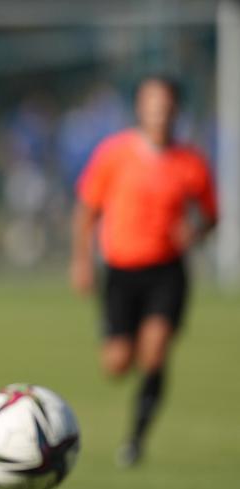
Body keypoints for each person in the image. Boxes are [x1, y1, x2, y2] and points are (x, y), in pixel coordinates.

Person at [70, 75, 218, 467]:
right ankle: (130, 344)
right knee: (117, 364)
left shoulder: (191, 162)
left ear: (176, 110)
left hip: (167, 272)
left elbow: (210, 216)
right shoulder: (114, 154)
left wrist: (197, 230)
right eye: (152, 103)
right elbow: (87, 210)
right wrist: (82, 260)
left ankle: (135, 441)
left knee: (154, 354)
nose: (159, 111)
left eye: (166, 104)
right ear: (140, 107)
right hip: (121, 272)